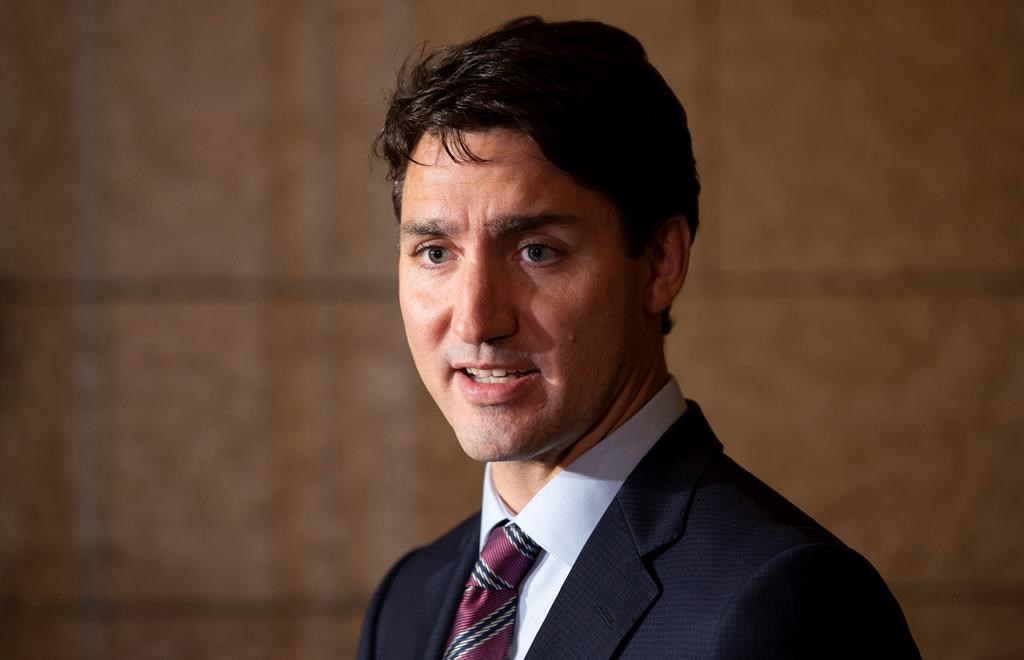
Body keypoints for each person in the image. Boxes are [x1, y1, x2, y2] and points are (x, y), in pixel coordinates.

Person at [358, 16, 920, 660]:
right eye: (435, 253)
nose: (475, 321)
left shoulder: (788, 601)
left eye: (537, 250)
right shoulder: (407, 601)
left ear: (659, 264)